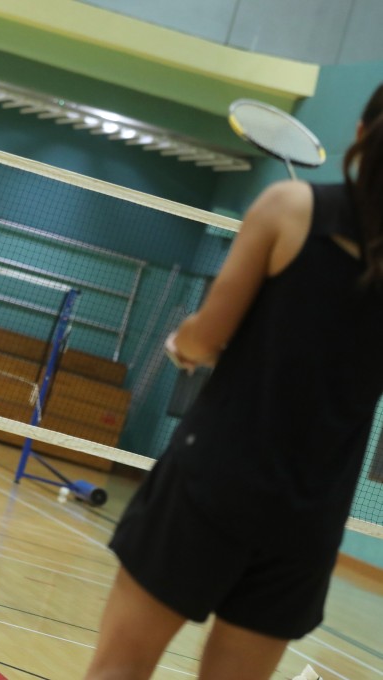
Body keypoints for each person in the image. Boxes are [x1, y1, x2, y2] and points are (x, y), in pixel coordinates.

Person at [85, 83, 383, 680]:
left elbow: (205, 338)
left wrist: (182, 343)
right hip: (309, 516)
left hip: (214, 483)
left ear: (360, 133)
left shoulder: (290, 208)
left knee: (120, 668)